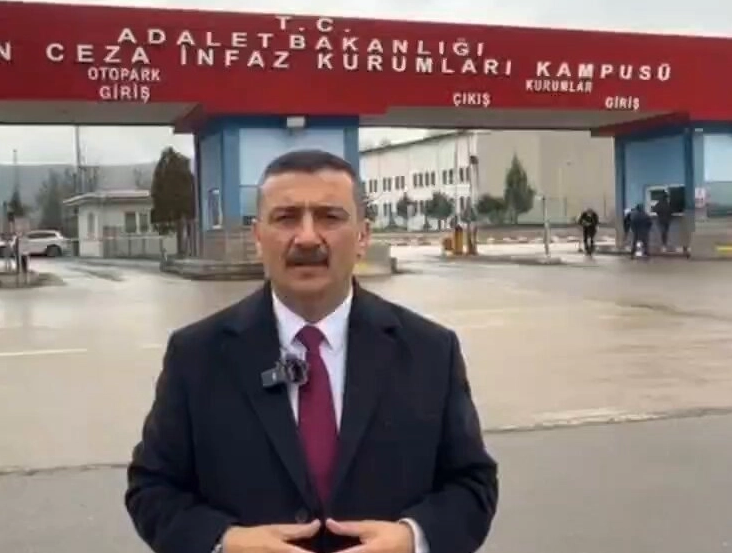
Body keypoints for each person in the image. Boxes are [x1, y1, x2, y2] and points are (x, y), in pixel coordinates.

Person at [125, 149, 499, 553]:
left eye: (329, 217)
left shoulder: (431, 352)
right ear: (258, 237)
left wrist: (413, 539)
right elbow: (152, 488)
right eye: (286, 218)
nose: (306, 237)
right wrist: (225, 542)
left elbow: (472, 484)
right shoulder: (196, 356)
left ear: (363, 237)